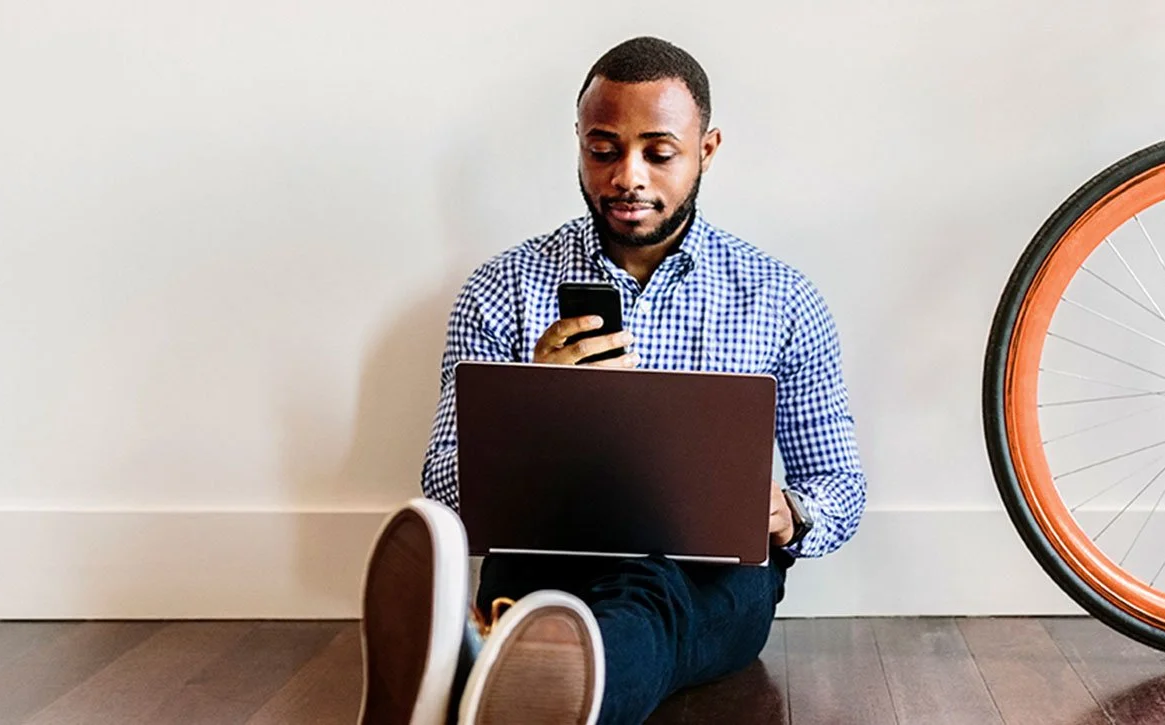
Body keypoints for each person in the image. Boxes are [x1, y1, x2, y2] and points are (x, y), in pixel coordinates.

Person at [355, 36, 867, 725]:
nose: (628, 177)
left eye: (659, 153)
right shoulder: (500, 289)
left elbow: (839, 485)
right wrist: (533, 407)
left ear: (706, 150)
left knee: (652, 594)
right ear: (578, 142)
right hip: (546, 562)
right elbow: (442, 489)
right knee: (578, 605)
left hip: (710, 577)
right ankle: (518, 685)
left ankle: (480, 665)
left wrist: (792, 514)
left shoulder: (782, 299)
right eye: (603, 150)